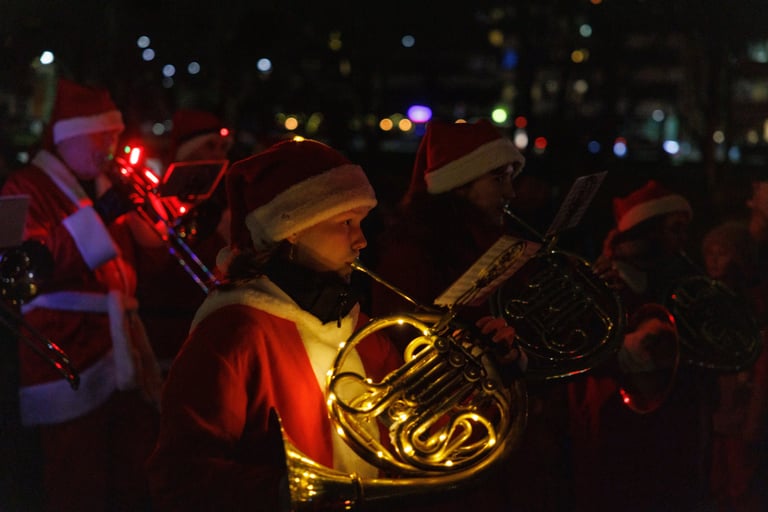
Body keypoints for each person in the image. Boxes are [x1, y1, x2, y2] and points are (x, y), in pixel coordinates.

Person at [145, 138, 524, 512]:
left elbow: (421, 434)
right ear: (290, 228)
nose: (361, 240)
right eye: (345, 222)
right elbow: (178, 478)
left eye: (361, 223)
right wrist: (280, 493)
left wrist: (485, 372)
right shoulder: (234, 332)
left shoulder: (358, 325)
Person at [369, 119, 571, 511]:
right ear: (460, 184)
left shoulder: (498, 239)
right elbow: (402, 349)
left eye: (512, 177)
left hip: (508, 441)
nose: (510, 192)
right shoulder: (412, 252)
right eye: (498, 179)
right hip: (452, 446)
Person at [0, 78, 163, 511]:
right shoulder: (25, 185)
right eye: (102, 136)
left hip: (120, 341)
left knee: (133, 468)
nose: (112, 145)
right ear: (69, 138)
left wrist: (159, 211)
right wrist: (106, 213)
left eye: (115, 134)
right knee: (78, 475)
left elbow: (150, 251)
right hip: (66, 344)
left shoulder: (106, 180)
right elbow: (29, 267)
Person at [571, 179, 715, 512]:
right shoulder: (605, 281)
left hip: (670, 424)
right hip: (617, 424)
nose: (683, 240)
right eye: (673, 230)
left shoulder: (678, 278)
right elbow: (583, 351)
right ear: (647, 231)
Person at [135, 108, 234, 372]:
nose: (219, 155)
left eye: (223, 147)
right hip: (167, 330)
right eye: (210, 146)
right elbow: (154, 270)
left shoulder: (225, 202)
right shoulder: (155, 203)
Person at [703, 221, 768, 512]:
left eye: (723, 253)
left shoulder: (755, 303)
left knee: (742, 480)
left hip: (743, 404)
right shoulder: (705, 298)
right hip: (717, 405)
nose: (715, 260)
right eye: (711, 253)